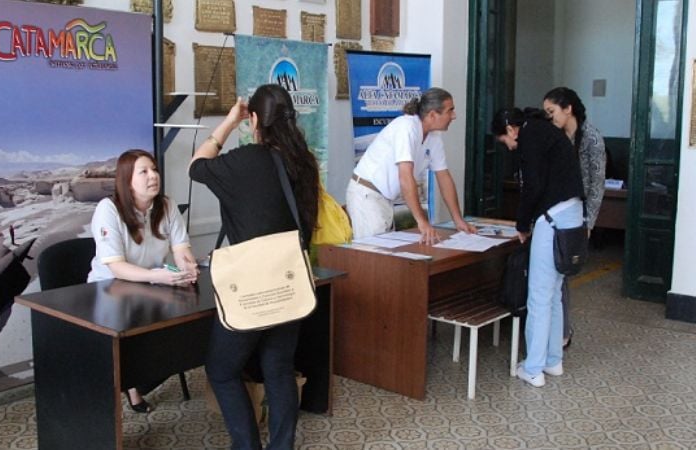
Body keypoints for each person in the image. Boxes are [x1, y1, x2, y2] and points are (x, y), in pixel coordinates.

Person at [189, 84, 320, 450]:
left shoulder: (245, 161)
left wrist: (229, 123)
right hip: (290, 281)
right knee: (278, 368)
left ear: (255, 119)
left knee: (221, 369)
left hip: (249, 287)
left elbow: (196, 166)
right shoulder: (304, 163)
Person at [87, 149, 199, 412]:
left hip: (149, 285)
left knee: (183, 329)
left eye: (155, 170)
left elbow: (181, 247)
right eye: (144, 171)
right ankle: (132, 386)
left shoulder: (167, 205)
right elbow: (116, 267)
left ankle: (138, 379)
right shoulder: (108, 209)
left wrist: (188, 266)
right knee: (136, 338)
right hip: (110, 290)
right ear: (127, 180)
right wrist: (158, 276)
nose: (153, 176)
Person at [491, 108, 584, 388]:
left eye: (503, 141)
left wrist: (522, 225)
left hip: (552, 219)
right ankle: (553, 360)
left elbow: (533, 186)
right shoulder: (546, 131)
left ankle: (532, 368)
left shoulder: (530, 136)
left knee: (539, 297)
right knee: (554, 293)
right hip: (572, 215)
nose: (508, 147)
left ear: (510, 130)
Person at [346, 87, 476, 244]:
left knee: (388, 255)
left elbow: (444, 178)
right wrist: (422, 222)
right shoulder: (406, 127)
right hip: (367, 195)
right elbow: (405, 177)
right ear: (433, 114)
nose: (454, 116)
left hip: (384, 199)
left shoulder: (434, 137)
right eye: (450, 110)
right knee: (375, 255)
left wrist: (458, 220)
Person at [543, 87, 606, 349]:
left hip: (577, 215)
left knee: (565, 269)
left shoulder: (591, 138)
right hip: (555, 212)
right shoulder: (555, 137)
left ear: (567, 108)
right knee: (556, 275)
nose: (549, 118)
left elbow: (596, 184)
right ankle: (557, 328)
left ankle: (563, 331)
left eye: (552, 112)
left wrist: (588, 222)